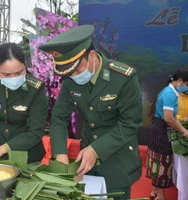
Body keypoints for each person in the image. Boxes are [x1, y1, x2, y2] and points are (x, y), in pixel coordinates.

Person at [39, 25, 143, 200]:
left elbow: (129, 125)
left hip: (118, 160)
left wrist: (96, 150)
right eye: (69, 73)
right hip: (85, 163)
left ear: (92, 56)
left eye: (77, 70)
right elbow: (58, 118)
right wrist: (60, 154)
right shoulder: (70, 79)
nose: (73, 76)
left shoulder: (123, 78)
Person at [147, 69, 188, 200]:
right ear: (180, 81)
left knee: (158, 162)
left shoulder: (170, 92)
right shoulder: (170, 93)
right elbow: (168, 118)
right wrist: (184, 131)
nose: (187, 88)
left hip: (160, 129)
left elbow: (171, 117)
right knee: (162, 163)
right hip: (161, 132)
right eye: (187, 84)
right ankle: (160, 196)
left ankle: (155, 192)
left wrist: (181, 121)